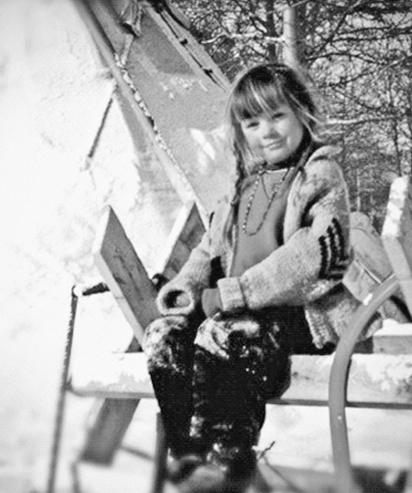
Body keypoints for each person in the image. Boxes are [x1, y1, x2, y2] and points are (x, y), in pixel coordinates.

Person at [143, 63, 353, 493]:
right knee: (163, 335)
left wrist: (235, 294)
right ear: (241, 131)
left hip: (299, 318)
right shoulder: (242, 184)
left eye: (278, 116)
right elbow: (210, 248)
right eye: (252, 122)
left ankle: (228, 462)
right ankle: (188, 457)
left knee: (224, 331)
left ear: (301, 113)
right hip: (237, 316)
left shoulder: (319, 175)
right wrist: (187, 288)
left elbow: (312, 256)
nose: (267, 132)